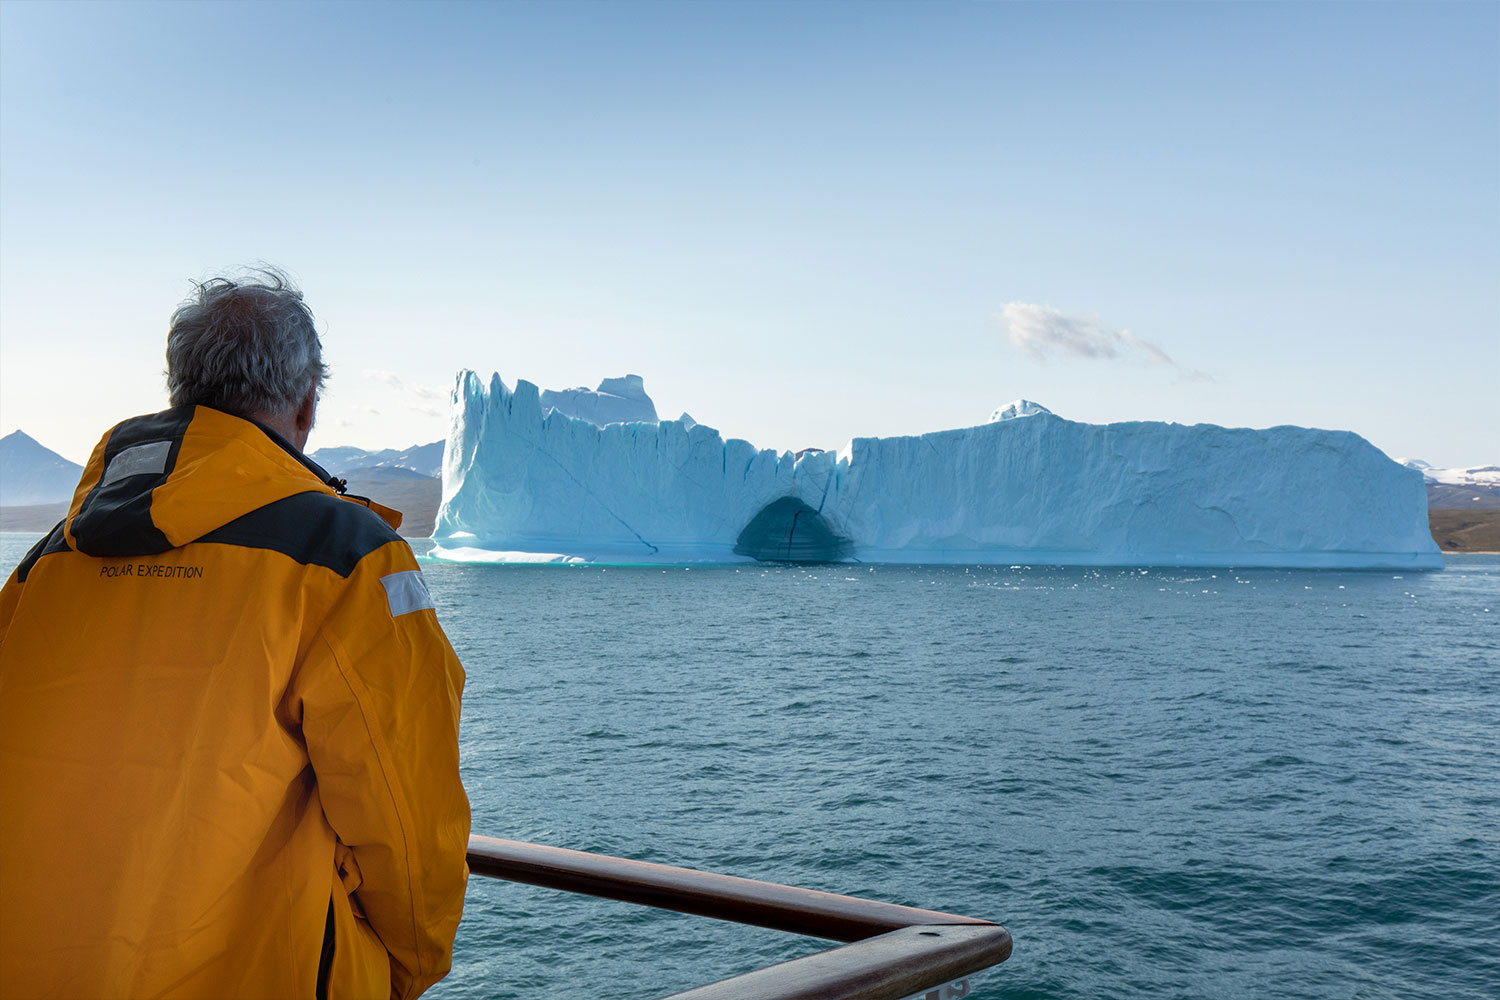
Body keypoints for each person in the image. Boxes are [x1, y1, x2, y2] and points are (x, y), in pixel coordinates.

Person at [0, 270, 470, 999]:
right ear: (307, 403)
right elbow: (409, 820)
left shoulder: (48, 562)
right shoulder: (347, 557)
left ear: (181, 390)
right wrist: (403, 968)